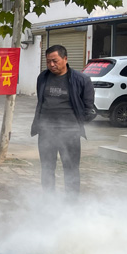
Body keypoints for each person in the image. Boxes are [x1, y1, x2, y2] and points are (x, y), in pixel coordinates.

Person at [31, 45, 95, 194]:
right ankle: (48, 200)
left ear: (65, 59)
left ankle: (71, 204)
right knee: (47, 169)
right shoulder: (43, 77)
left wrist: (73, 123)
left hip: (69, 134)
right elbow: (41, 102)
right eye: (48, 61)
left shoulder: (81, 80)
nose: (51, 65)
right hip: (46, 133)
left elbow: (89, 109)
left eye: (55, 60)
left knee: (71, 169)